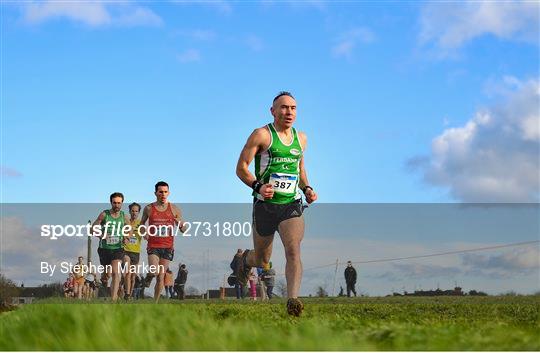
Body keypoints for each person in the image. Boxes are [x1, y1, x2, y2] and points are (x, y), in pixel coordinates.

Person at [233, 91, 317, 316]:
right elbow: (241, 168)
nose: (288, 112)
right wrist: (258, 186)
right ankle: (245, 260)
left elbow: (300, 170)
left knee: (293, 251)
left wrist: (306, 188)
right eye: (283, 107)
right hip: (265, 205)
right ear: (273, 111)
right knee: (263, 259)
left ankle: (293, 301)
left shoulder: (302, 139)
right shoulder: (261, 135)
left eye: (293, 108)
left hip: (291, 204)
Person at [140, 181, 186, 302]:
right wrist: (144, 233)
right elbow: (141, 225)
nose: (163, 194)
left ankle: (155, 303)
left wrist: (180, 225)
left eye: (165, 192)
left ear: (169, 193)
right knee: (154, 270)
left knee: (161, 277)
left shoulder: (175, 209)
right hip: (153, 245)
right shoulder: (149, 208)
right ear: (155, 193)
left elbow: (184, 230)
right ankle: (149, 276)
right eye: (160, 192)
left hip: (168, 246)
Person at [91, 192, 130, 301]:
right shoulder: (104, 214)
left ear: (122, 203)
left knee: (116, 273)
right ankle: (103, 279)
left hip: (118, 249)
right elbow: (92, 228)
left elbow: (129, 230)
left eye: (119, 203)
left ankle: (113, 300)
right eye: (114, 203)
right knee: (106, 275)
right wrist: (101, 235)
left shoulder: (124, 216)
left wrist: (126, 237)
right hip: (104, 249)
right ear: (111, 203)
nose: (116, 205)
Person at [123, 202, 143, 300]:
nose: (134, 213)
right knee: (127, 272)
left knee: (132, 276)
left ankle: (129, 294)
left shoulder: (141, 224)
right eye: (132, 211)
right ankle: (126, 294)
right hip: (126, 250)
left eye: (136, 211)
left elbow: (146, 235)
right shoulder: (125, 222)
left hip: (136, 252)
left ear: (139, 212)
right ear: (130, 211)